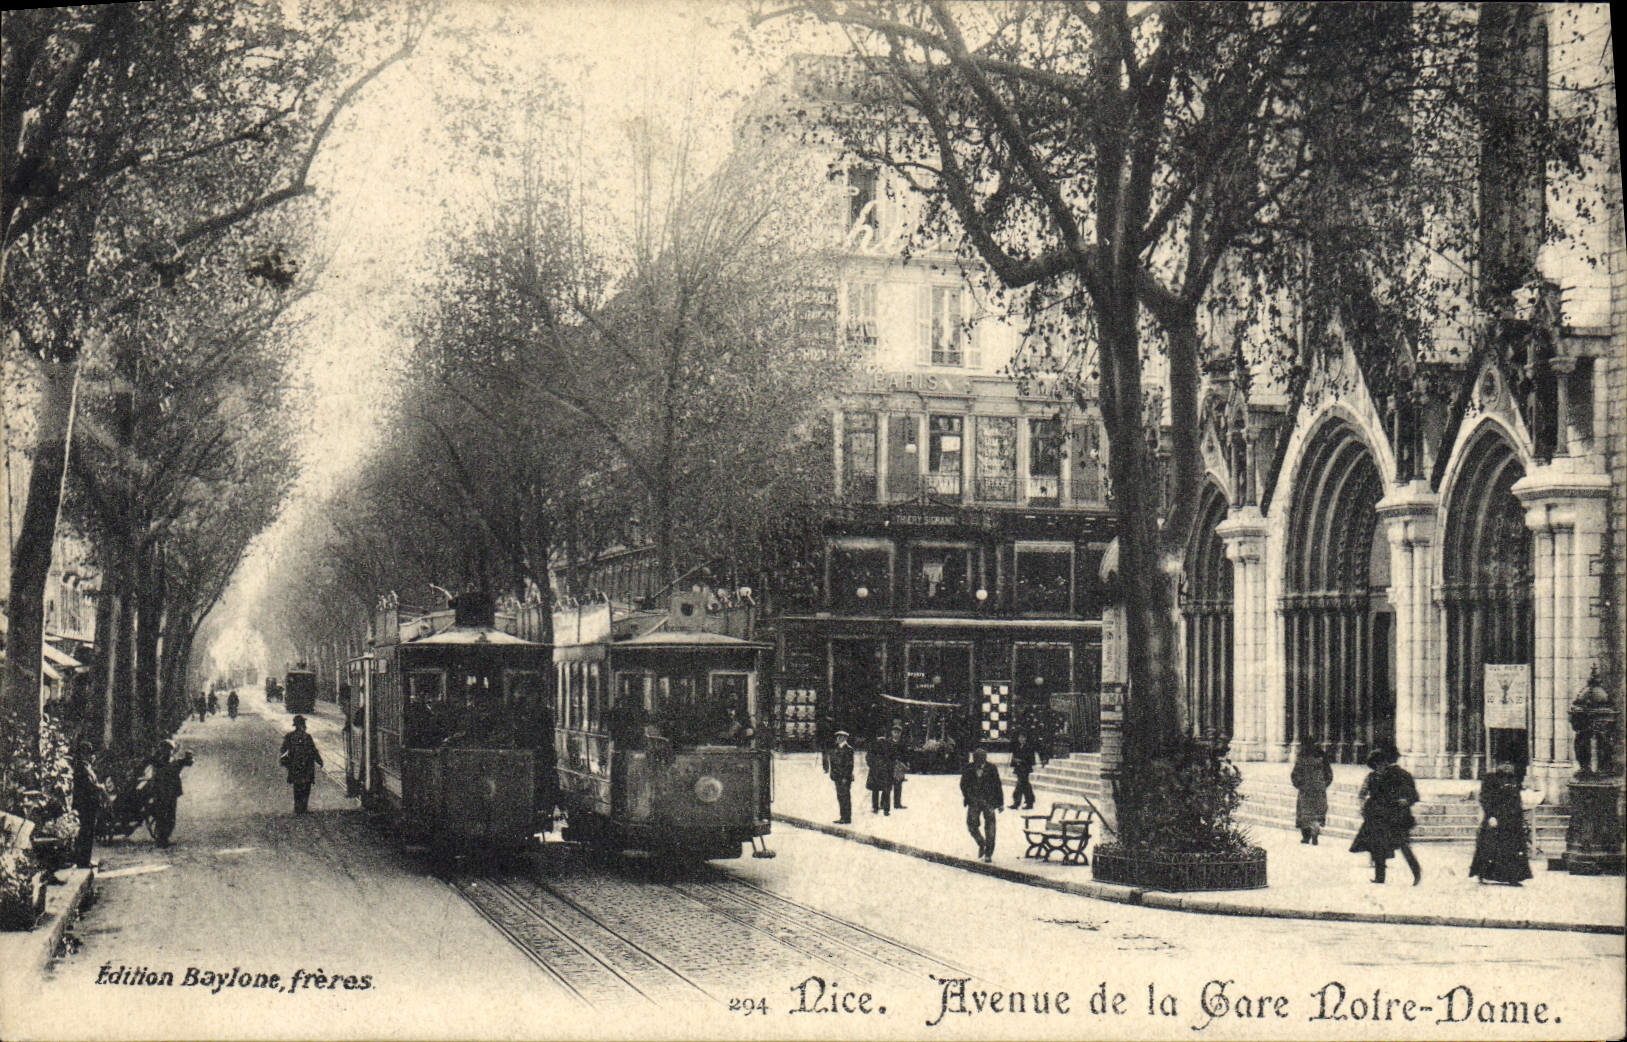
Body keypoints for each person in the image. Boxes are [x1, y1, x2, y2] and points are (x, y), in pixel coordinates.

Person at [1349, 747, 1421, 885]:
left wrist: (1405, 800)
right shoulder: (1371, 777)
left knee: (1403, 845)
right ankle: (1379, 877)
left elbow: (1413, 795)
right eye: (1376, 764)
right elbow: (1362, 794)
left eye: (1382, 763)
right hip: (1376, 816)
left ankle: (1416, 872)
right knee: (1377, 846)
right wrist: (1362, 805)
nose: (1379, 766)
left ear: (1386, 763)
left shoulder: (1398, 775)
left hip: (1395, 816)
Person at [1468, 762, 1533, 886]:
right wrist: (1490, 815)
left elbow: (1516, 799)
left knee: (1512, 848)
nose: (1508, 766)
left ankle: (1513, 876)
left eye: (1510, 764)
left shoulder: (1514, 779)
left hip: (1512, 820)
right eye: (1504, 764)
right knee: (1490, 847)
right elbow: (1486, 798)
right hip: (1496, 818)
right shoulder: (1490, 779)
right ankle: (1484, 873)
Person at [146, 740, 194, 849]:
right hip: (160, 792)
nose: (167, 752)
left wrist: (189, 757)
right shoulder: (157, 761)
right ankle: (161, 839)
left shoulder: (175, 761)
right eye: (165, 749)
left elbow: (189, 762)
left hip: (171, 793)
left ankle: (165, 837)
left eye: (169, 749)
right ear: (161, 750)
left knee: (170, 817)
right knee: (162, 816)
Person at [960, 747, 1003, 862]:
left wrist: (1000, 803)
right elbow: (963, 784)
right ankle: (981, 843)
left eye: (981, 761)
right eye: (976, 761)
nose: (979, 764)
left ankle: (989, 853)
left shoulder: (992, 768)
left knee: (990, 827)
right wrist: (968, 796)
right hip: (974, 800)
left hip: (989, 801)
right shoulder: (968, 768)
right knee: (971, 825)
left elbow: (997, 785)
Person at [1291, 743, 1334, 845]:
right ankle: (1315, 831)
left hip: (1305, 790)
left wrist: (1299, 784)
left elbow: (1295, 774)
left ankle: (1306, 836)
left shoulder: (1301, 759)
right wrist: (1323, 785)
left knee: (1305, 813)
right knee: (1317, 813)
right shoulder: (1322, 759)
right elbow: (1329, 774)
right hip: (1319, 790)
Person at [280, 715, 323, 814]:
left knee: (297, 787)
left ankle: (298, 808)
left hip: (295, 766)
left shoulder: (289, 736)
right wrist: (319, 761)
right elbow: (314, 751)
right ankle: (304, 808)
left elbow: (283, 750)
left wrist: (287, 760)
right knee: (306, 787)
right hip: (307, 766)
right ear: (302, 725)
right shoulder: (307, 737)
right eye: (304, 724)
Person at [70, 740, 102, 868]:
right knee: (85, 833)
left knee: (88, 833)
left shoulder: (86, 767)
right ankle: (83, 861)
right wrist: (100, 787)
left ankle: (85, 860)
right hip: (85, 805)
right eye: (87, 753)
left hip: (89, 805)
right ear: (83, 754)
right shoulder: (81, 768)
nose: (90, 756)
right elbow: (90, 786)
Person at [825, 730, 855, 824]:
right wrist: (832, 773)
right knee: (840, 797)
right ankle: (843, 816)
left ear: (845, 738)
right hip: (837, 776)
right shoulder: (836, 748)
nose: (838, 739)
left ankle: (847, 817)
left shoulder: (848, 749)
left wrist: (845, 777)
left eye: (840, 737)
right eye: (837, 737)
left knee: (845, 797)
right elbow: (833, 762)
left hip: (844, 777)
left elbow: (849, 765)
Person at [866, 730, 893, 816]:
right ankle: (886, 809)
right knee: (886, 790)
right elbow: (892, 757)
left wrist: (872, 765)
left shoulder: (873, 743)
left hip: (875, 770)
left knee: (875, 790)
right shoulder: (889, 744)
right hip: (885, 770)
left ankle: (875, 807)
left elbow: (868, 757)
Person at [1009, 732, 1039, 810]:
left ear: (1025, 738)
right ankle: (1028, 802)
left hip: (1025, 769)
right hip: (1019, 769)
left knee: (1021, 785)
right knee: (1024, 785)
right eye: (1020, 738)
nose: (1021, 739)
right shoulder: (1018, 747)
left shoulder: (1029, 747)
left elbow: (1031, 760)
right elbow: (1014, 757)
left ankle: (1019, 802)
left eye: (1023, 738)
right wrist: (1015, 762)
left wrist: (1021, 761)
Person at [888, 723, 909, 810]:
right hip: (889, 765)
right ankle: (884, 803)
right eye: (895, 732)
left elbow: (905, 754)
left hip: (899, 766)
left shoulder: (903, 743)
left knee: (898, 785)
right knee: (887, 785)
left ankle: (897, 803)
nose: (896, 734)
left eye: (898, 732)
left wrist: (905, 763)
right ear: (892, 733)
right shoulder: (888, 742)